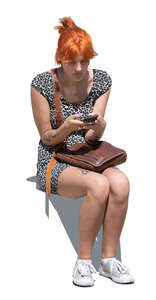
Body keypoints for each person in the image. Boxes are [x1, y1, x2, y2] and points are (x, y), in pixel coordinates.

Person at [30, 16, 134, 287]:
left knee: (121, 183)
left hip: (86, 153)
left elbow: (91, 135)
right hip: (54, 158)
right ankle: (84, 262)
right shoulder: (41, 84)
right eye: (71, 62)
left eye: (84, 61)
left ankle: (109, 261)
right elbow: (47, 137)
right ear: (59, 58)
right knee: (99, 185)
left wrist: (99, 127)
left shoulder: (101, 81)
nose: (79, 68)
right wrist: (65, 128)